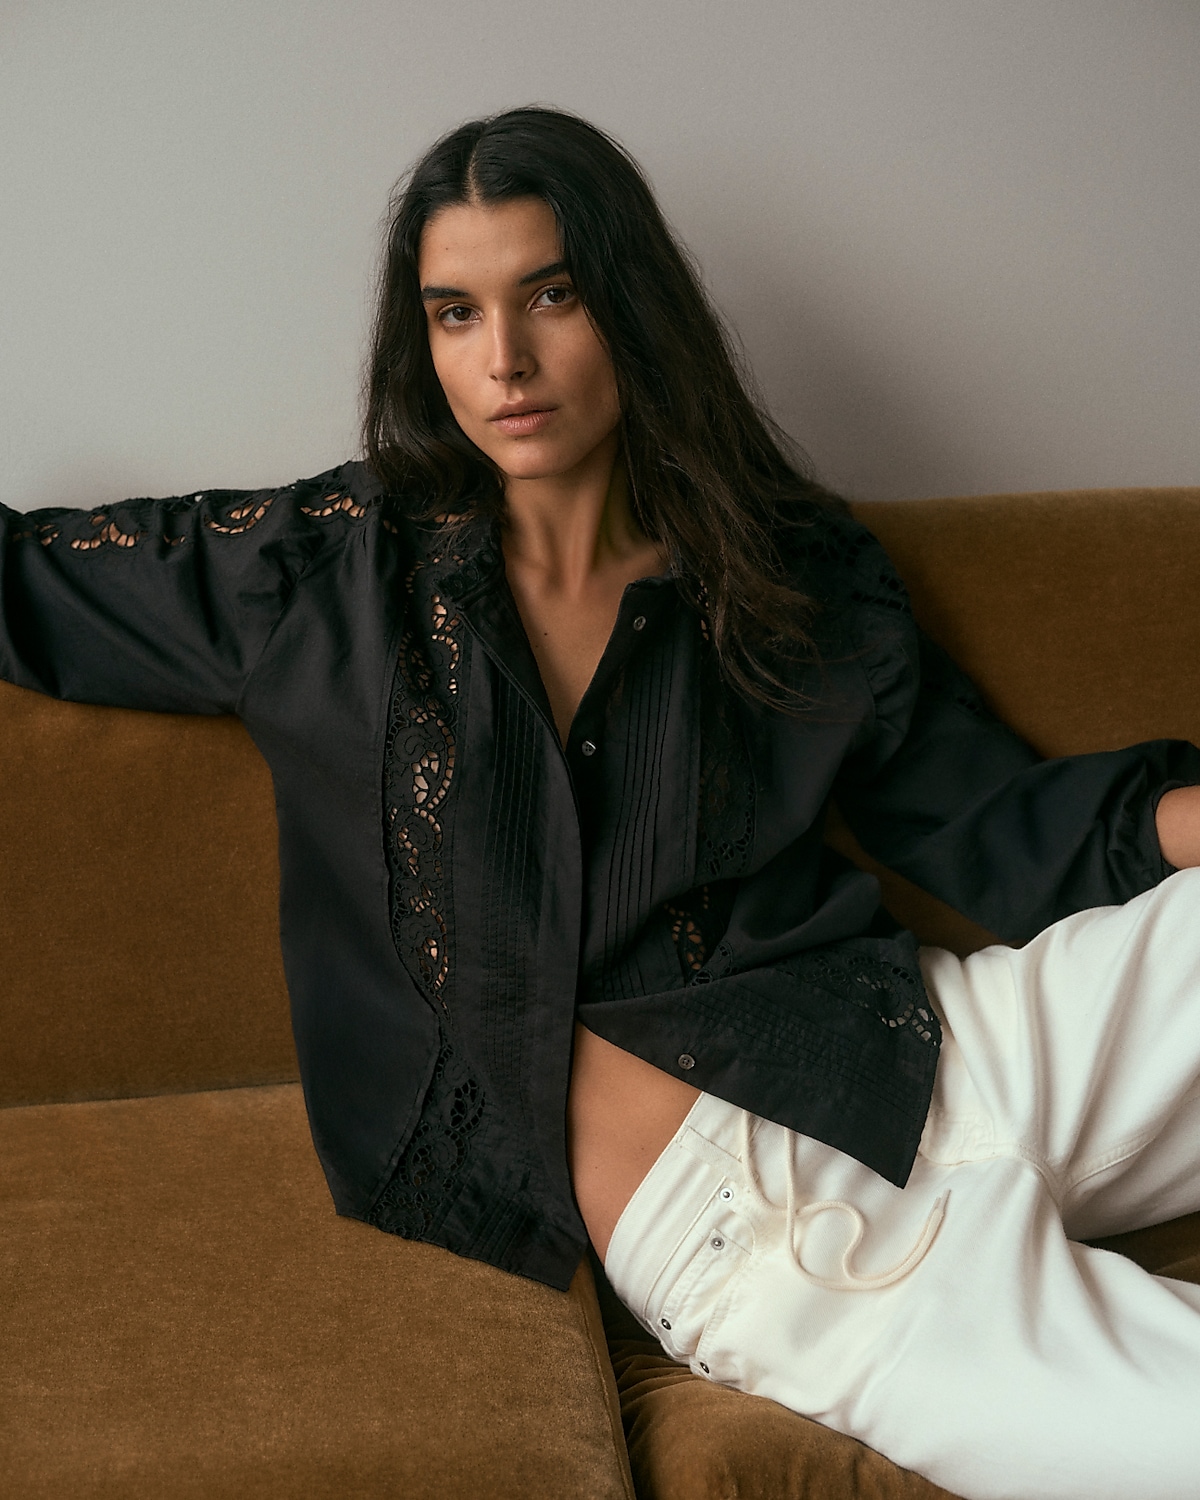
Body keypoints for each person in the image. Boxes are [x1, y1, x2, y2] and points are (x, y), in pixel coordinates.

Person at [3, 106, 1199, 1500]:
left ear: (628, 305)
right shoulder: (327, 577)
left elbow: (1018, 833)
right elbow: (29, 584)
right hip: (751, 1222)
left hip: (948, 1043)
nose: (503, 360)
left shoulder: (782, 565)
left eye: (550, 297)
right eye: (456, 314)